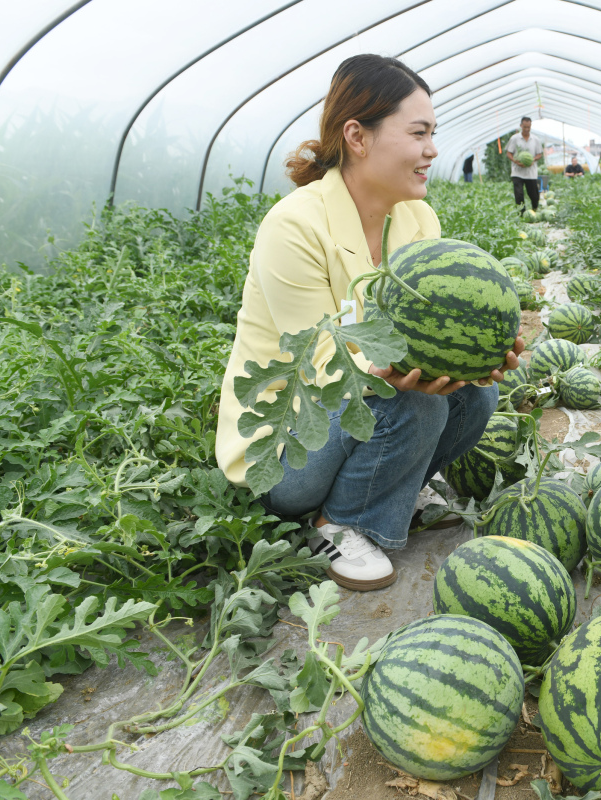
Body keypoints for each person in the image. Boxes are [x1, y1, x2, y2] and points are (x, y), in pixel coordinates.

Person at [215, 55, 523, 591]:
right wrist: (405, 369)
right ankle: (336, 522)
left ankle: (391, 492)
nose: (432, 150)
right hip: (286, 451)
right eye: (419, 133)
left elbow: (437, 323)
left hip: (356, 420)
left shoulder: (417, 217)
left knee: (477, 397)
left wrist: (476, 353)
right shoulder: (293, 225)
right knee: (417, 400)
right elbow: (321, 360)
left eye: (434, 134)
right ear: (357, 136)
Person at [506, 117, 543, 215]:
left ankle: (535, 209)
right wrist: (515, 161)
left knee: (534, 194)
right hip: (517, 171)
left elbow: (539, 154)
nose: (527, 129)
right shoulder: (514, 138)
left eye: (529, 127)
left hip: (531, 172)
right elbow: (509, 153)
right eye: (525, 127)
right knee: (519, 194)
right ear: (521, 126)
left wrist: (533, 160)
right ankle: (521, 214)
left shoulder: (535, 139)